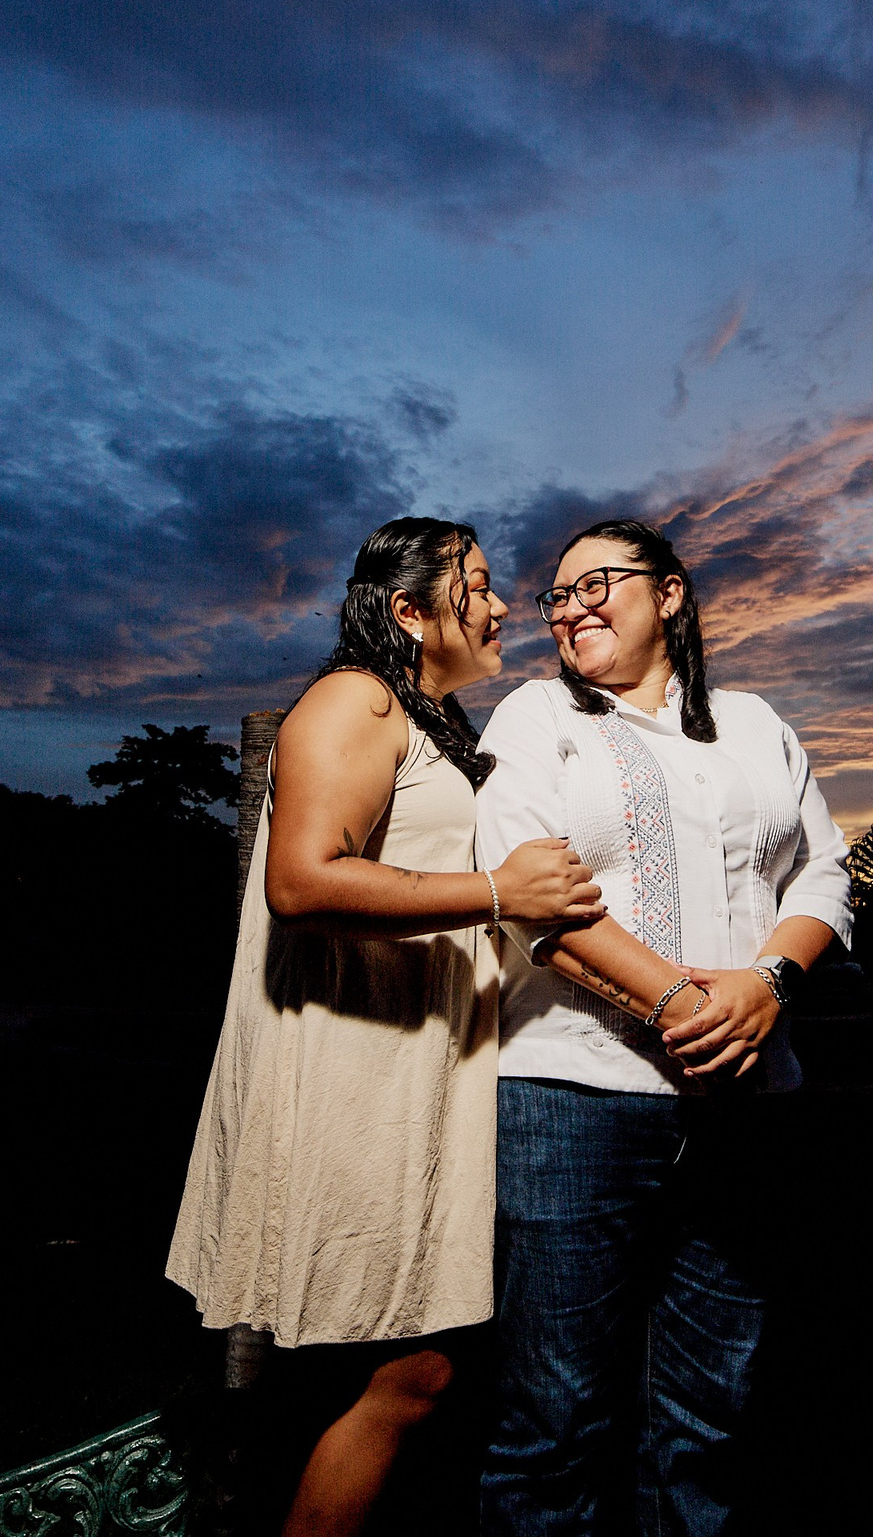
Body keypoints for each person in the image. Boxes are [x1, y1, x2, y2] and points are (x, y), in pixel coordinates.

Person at [168, 515, 606, 1537]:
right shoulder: (353, 697)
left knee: (401, 1365)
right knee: (403, 1366)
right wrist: (499, 889)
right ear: (408, 609)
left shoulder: (424, 721)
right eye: (481, 585)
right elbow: (303, 875)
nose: (503, 606)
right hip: (348, 1075)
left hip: (408, 1076)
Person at [474, 518, 853, 1537]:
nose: (568, 606)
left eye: (594, 581)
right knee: (553, 1423)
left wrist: (769, 980)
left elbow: (823, 867)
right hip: (571, 1098)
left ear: (670, 594)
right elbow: (530, 895)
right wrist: (684, 1004)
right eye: (555, 596)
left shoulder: (753, 719)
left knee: (706, 1416)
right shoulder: (533, 717)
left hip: (747, 1108)